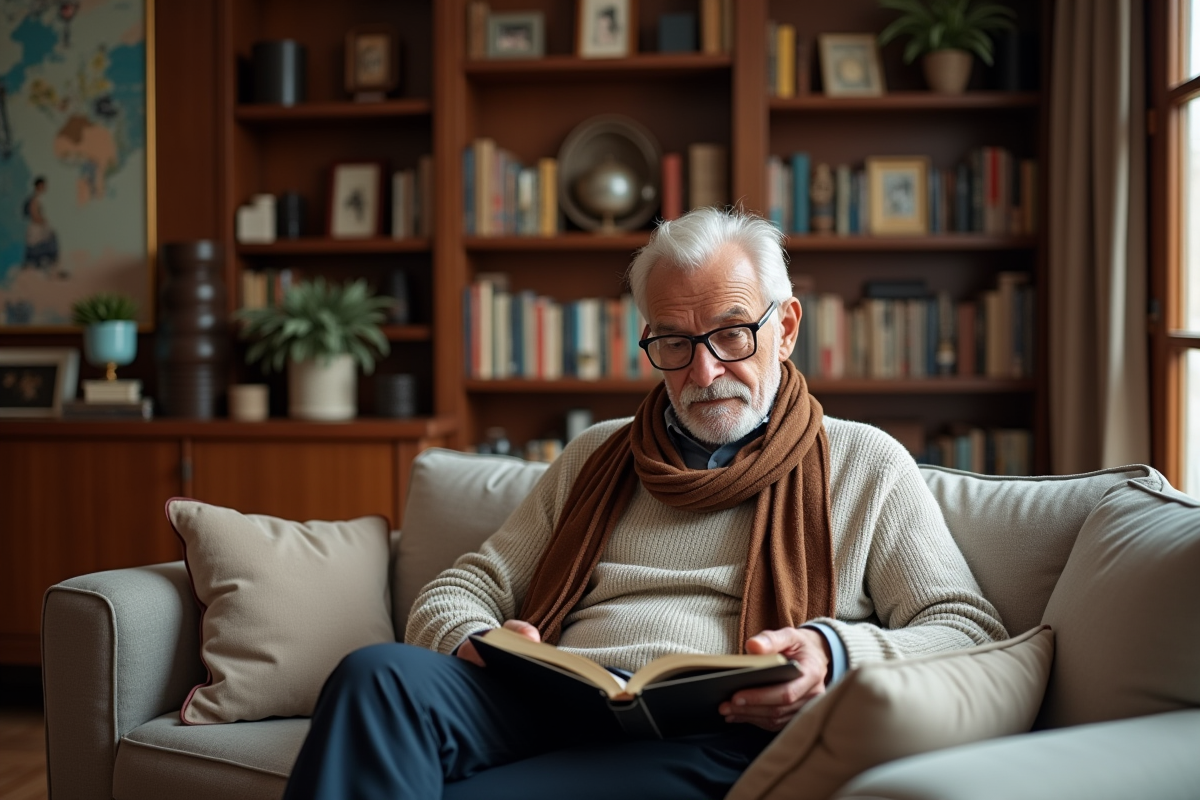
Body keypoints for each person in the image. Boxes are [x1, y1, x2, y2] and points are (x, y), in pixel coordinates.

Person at [282, 207, 1006, 800]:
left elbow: (968, 629)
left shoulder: (863, 462)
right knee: (375, 674)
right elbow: (466, 585)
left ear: (784, 329)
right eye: (673, 341)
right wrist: (476, 641)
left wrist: (830, 651)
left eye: (730, 333)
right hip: (554, 700)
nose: (704, 370)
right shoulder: (599, 454)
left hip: (721, 733)